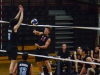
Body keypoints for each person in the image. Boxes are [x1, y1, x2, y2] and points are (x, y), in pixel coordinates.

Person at [6, 5, 24, 75]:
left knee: (14, 62)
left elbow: (15, 19)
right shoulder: (14, 28)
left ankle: (14, 73)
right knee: (12, 63)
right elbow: (20, 20)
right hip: (13, 48)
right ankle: (11, 74)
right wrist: (22, 12)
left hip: (8, 47)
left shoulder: (10, 26)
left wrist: (19, 11)